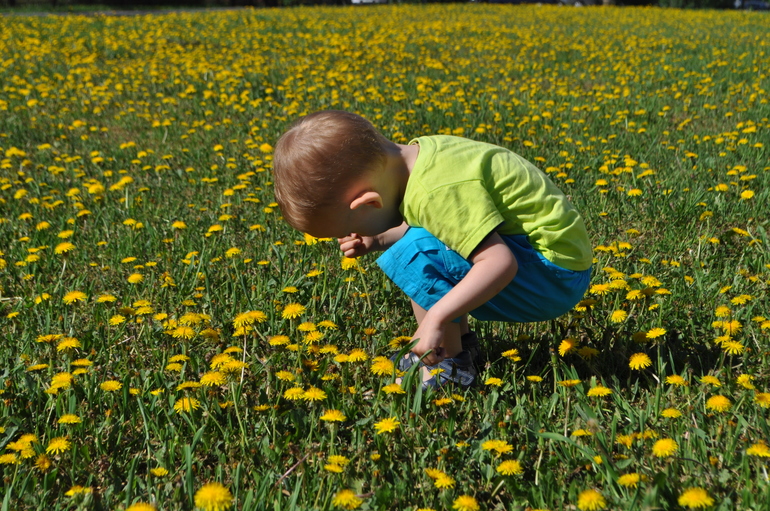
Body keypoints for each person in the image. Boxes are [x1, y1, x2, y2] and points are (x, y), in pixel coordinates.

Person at [272, 110, 592, 387]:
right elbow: (437, 222)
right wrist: (378, 238)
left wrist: (435, 318)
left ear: (369, 202)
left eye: (349, 227)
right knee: (419, 243)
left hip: (552, 279)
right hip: (552, 260)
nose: (352, 234)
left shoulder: (435, 191)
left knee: (415, 255)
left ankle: (448, 368)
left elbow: (498, 262)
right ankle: (462, 345)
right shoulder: (420, 159)